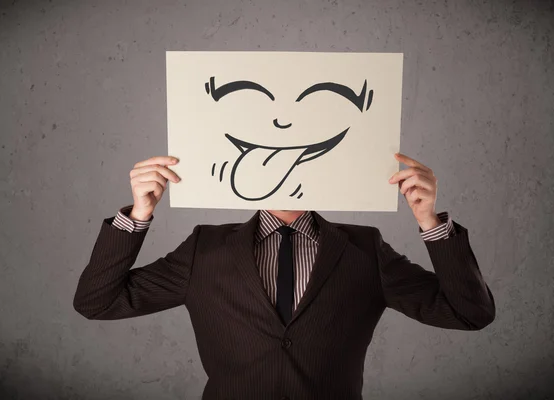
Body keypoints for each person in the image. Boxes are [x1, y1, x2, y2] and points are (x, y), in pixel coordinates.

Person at [73, 154, 496, 400]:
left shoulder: (364, 250)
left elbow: (468, 313)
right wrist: (138, 215)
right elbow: (98, 302)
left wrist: (429, 222)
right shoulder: (206, 248)